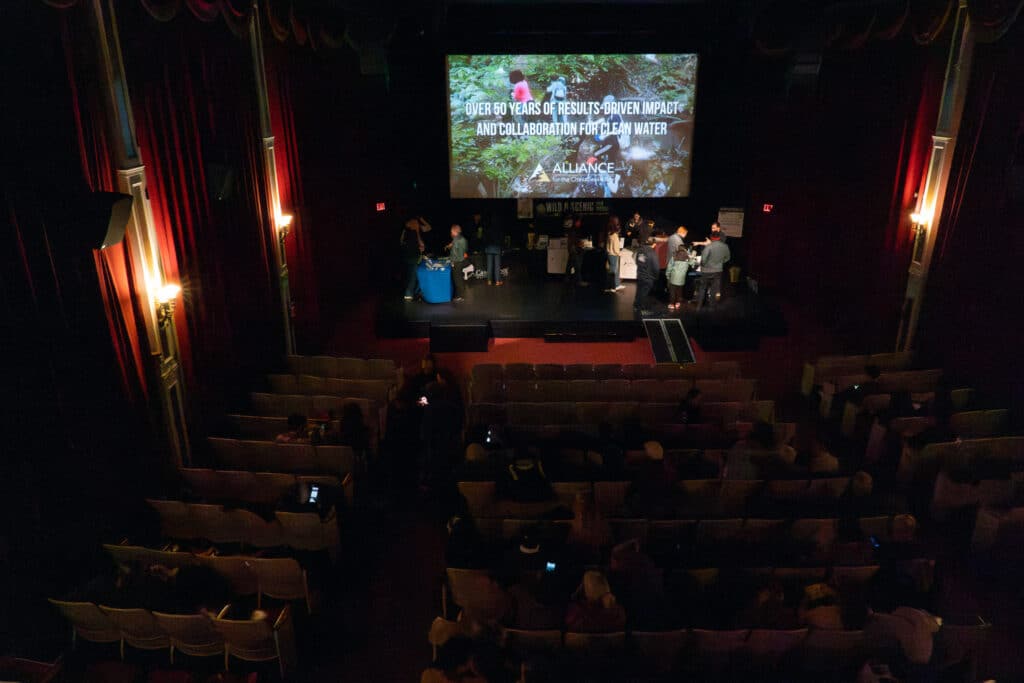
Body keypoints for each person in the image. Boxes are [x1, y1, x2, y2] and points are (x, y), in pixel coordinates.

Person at [694, 230, 730, 310]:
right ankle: (711, 307)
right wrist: (720, 263)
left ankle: (699, 306)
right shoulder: (725, 246)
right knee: (714, 289)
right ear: (719, 237)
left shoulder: (708, 247)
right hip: (718, 270)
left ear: (711, 237)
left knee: (702, 288)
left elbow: (703, 260)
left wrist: (703, 265)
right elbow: (727, 258)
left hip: (706, 271)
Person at [401, 215, 428, 300]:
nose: (417, 224)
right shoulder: (414, 232)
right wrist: (421, 246)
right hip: (414, 256)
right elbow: (421, 243)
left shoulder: (405, 231)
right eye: (416, 223)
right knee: (414, 275)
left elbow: (428, 228)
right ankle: (409, 293)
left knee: (411, 274)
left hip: (408, 256)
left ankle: (415, 292)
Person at [633, 236, 659, 315]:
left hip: (640, 274)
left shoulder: (641, 250)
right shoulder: (652, 253)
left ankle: (636, 306)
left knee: (639, 291)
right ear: (654, 244)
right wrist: (656, 276)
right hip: (648, 277)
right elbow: (656, 267)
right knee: (644, 293)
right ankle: (641, 310)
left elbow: (637, 261)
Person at [446, 224, 469, 302]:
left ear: (454, 231)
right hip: (462, 260)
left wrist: (452, 261)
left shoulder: (455, 239)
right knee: (459, 278)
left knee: (457, 280)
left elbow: (454, 253)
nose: (451, 233)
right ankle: (460, 295)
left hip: (457, 262)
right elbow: (465, 249)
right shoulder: (463, 238)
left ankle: (460, 296)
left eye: (451, 231)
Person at [481, 218, 505, 285]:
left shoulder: (487, 228)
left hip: (489, 248)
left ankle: (489, 281)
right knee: (497, 265)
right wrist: (502, 248)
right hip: (497, 248)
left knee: (489, 265)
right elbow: (502, 239)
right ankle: (497, 281)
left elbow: (484, 239)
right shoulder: (499, 229)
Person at [604, 216, 624, 292]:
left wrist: (608, 251)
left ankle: (617, 285)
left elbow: (607, 245)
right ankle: (611, 287)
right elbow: (616, 248)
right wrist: (619, 254)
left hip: (610, 254)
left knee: (614, 270)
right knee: (612, 271)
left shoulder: (609, 234)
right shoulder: (614, 235)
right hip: (613, 255)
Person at [565, 216, 586, 286]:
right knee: (577, 266)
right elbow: (573, 240)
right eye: (579, 222)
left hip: (573, 249)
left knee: (570, 265)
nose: (580, 223)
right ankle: (578, 281)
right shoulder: (574, 230)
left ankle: (567, 279)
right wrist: (579, 244)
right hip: (574, 249)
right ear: (576, 222)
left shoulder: (573, 229)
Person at [667, 246, 689, 311]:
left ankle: (671, 304)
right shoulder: (687, 258)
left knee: (672, 291)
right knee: (679, 291)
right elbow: (693, 263)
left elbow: (669, 267)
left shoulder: (674, 257)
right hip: (682, 278)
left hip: (674, 277)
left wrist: (667, 275)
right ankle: (678, 303)